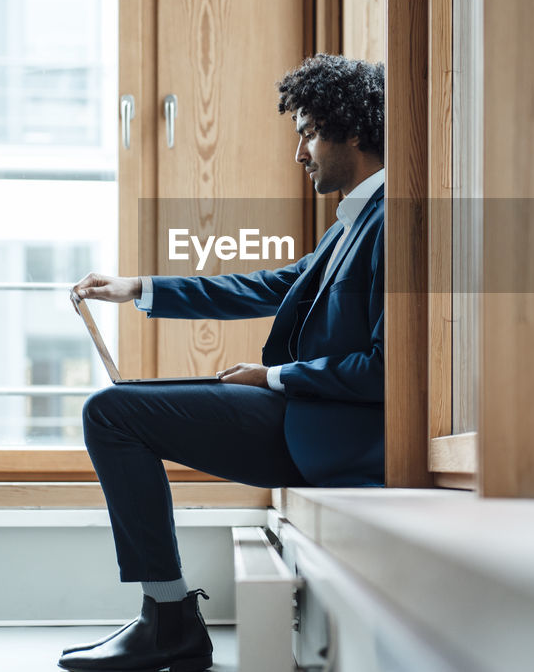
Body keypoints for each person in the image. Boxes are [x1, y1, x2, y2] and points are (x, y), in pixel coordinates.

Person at [58, 54, 386, 672]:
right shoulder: (353, 223)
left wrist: (272, 377)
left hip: (328, 434)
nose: (300, 154)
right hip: (302, 417)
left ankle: (169, 621)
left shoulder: (390, 221)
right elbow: (267, 286)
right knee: (118, 409)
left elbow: (384, 370)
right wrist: (137, 288)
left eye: (308, 133)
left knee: (112, 411)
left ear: (355, 131)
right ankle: (168, 618)